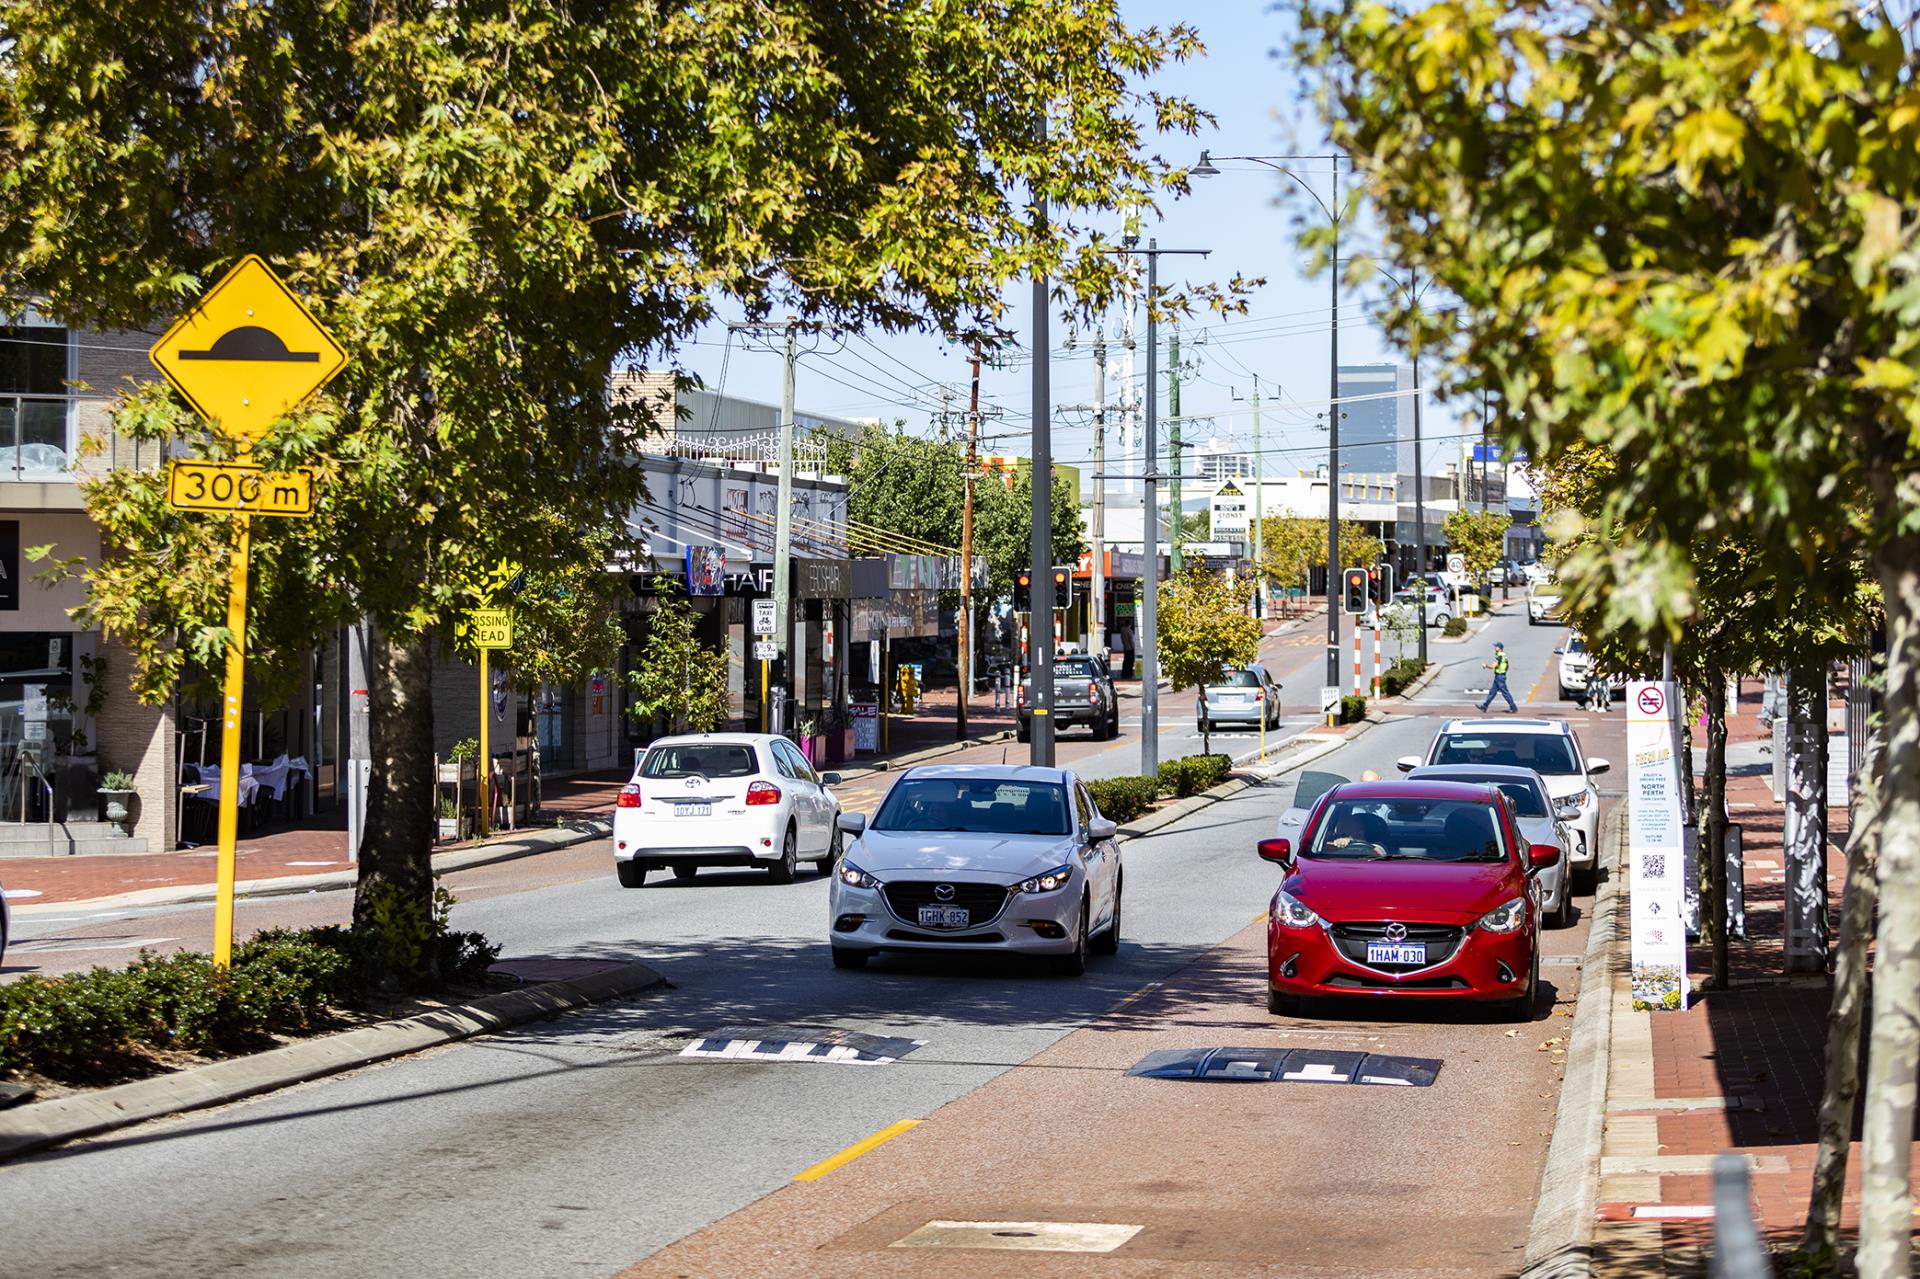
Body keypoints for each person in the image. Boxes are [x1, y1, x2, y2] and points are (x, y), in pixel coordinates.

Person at [1479, 641, 1518, 713]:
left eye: (1496, 646)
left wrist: (1486, 665)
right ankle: (1484, 706)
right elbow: (1507, 665)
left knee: (1505, 693)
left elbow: (1493, 666)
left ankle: (1513, 707)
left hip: (1500, 677)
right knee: (1492, 692)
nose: (1494, 647)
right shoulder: (1503, 655)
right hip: (1499, 676)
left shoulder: (1500, 656)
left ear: (1499, 648)